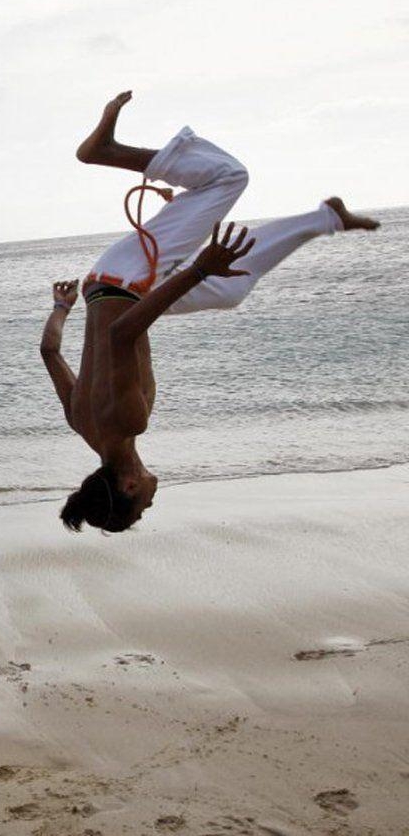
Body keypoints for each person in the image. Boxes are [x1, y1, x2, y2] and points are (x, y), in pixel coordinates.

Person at [41, 91, 379, 534]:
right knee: (230, 288)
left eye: (141, 508)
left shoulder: (127, 421)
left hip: (128, 279)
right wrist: (61, 309)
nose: (148, 503)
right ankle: (325, 218)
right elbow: (49, 351)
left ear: (127, 485)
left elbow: (121, 335)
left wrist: (199, 268)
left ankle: (105, 152)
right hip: (110, 288)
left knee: (228, 178)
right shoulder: (86, 429)